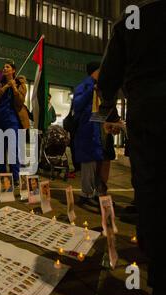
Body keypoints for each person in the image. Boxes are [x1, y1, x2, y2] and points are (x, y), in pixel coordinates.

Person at [97, 0, 166, 295]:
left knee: (151, 189)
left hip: (148, 113)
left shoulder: (134, 19)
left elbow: (108, 79)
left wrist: (108, 116)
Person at [0, 63, 29, 186]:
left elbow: (20, 101)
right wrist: (6, 86)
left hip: (13, 121)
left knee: (13, 150)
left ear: (13, 70)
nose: (4, 69)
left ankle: (15, 177)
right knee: (0, 150)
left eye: (7, 67)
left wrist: (14, 88)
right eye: (4, 67)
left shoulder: (20, 84)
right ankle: (2, 176)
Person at [73, 62, 103, 208]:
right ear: (95, 71)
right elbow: (77, 104)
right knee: (87, 163)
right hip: (86, 131)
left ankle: (93, 193)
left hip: (95, 130)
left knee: (95, 163)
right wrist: (92, 89)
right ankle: (86, 194)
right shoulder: (85, 85)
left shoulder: (98, 87)